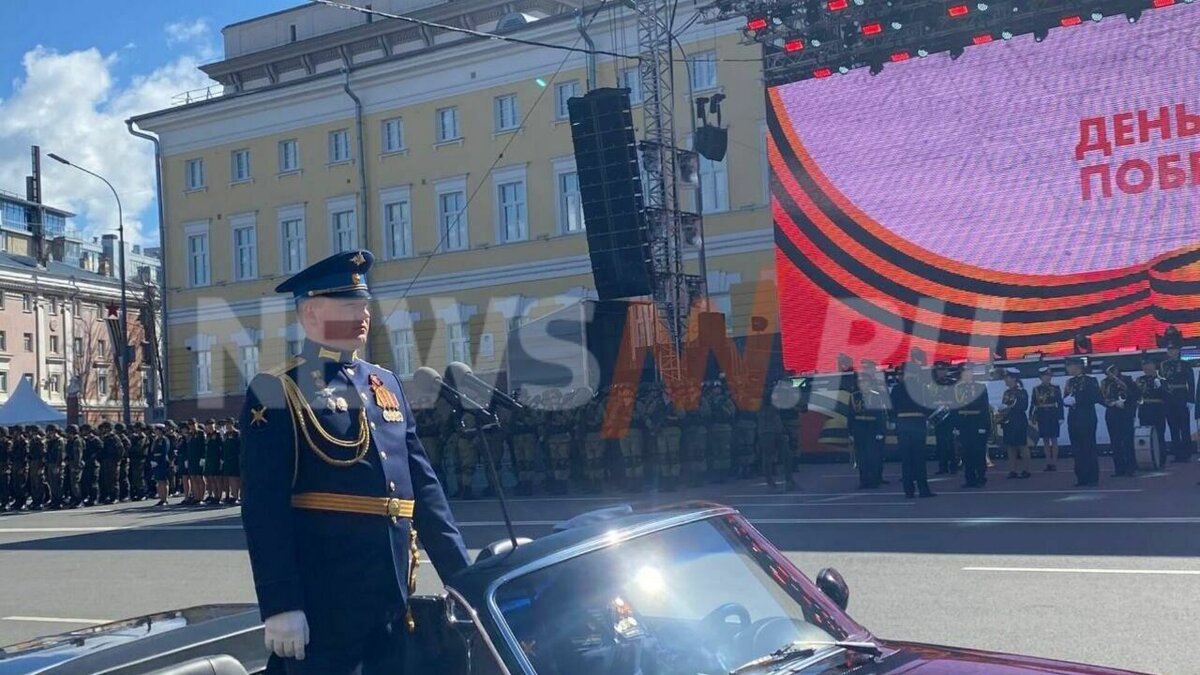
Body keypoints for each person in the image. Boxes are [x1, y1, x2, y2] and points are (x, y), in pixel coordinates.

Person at [240, 250, 469, 673]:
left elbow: (425, 492)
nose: (363, 314)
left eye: (364, 304)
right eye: (349, 305)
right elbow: (264, 507)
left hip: (393, 605)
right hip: (325, 607)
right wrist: (281, 604)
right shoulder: (276, 390)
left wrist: (465, 579)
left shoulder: (386, 384)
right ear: (310, 314)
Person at [891, 363, 935, 498]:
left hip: (902, 425)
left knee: (906, 460)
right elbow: (928, 407)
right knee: (919, 459)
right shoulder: (922, 388)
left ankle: (908, 491)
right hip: (917, 424)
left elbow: (891, 408)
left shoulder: (896, 389)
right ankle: (923, 489)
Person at [1063, 356, 1101, 487]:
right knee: (1077, 449)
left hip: (1087, 417)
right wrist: (1067, 402)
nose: (1067, 368)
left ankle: (1092, 476)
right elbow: (1065, 397)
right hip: (1073, 418)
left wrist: (1077, 399)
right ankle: (1081, 476)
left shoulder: (1090, 380)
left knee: (1089, 447)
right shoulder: (1069, 382)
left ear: (1077, 366)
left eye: (1069, 366)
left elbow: (1095, 396)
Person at [849, 360, 886, 489]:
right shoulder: (854, 396)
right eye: (861, 382)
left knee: (873, 456)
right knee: (861, 458)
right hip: (859, 430)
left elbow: (880, 416)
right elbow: (850, 416)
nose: (863, 384)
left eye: (865, 382)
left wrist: (881, 431)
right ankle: (864, 480)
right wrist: (850, 433)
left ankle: (874, 479)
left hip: (872, 429)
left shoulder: (876, 396)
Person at [955, 367, 990, 488]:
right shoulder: (957, 388)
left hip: (977, 421)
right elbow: (955, 408)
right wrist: (956, 426)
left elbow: (985, 408)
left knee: (978, 452)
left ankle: (981, 477)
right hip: (964, 423)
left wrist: (983, 426)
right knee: (966, 452)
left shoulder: (980, 387)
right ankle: (969, 478)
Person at [1159, 341, 1195, 463]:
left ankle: (1187, 453)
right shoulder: (1163, 365)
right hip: (1169, 398)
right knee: (1173, 427)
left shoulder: (1185, 364)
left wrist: (1191, 399)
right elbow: (1162, 381)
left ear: (1178, 351)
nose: (1172, 352)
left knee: (1184, 427)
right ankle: (1177, 454)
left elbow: (1191, 382)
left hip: (1182, 396)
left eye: (1174, 350)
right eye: (1170, 350)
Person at [1101, 364, 1137, 477]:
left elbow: (1133, 393)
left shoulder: (1127, 379)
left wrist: (1127, 406)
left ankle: (1130, 468)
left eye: (1112, 370)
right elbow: (1101, 397)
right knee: (1115, 442)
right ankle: (1119, 469)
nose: (1110, 373)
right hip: (1112, 412)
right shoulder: (1104, 382)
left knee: (1127, 441)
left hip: (1125, 412)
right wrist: (1111, 403)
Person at [1136, 356, 1168, 469]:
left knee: (1159, 435)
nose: (1147, 368)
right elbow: (1136, 394)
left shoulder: (1162, 379)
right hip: (1144, 409)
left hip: (1157, 409)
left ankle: (1161, 459)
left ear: (1154, 366)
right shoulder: (1139, 380)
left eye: (1149, 365)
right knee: (1145, 435)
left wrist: (1159, 387)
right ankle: (1147, 458)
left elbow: (1167, 396)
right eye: (1145, 366)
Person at [998, 368, 1031, 479]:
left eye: (1007, 378)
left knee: (1022, 445)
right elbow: (1004, 405)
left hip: (1019, 421)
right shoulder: (1006, 392)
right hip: (1008, 422)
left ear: (1014, 378)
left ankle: (1026, 469)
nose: (1005, 380)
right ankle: (1012, 470)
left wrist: (1009, 408)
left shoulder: (1021, 392)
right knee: (1010, 446)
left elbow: (1024, 406)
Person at [928, 361, 959, 474]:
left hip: (950, 416)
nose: (940, 372)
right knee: (940, 443)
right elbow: (929, 401)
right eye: (938, 370)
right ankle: (942, 466)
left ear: (947, 370)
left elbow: (957, 400)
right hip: (938, 417)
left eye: (943, 370)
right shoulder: (932, 385)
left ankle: (954, 465)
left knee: (951, 442)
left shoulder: (953, 383)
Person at [1031, 367, 1063, 471]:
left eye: (1049, 375)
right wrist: (1032, 416)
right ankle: (1048, 462)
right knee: (1045, 439)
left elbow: (1060, 403)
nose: (1047, 378)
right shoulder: (1036, 389)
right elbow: (1033, 404)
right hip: (1042, 414)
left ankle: (1054, 462)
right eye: (1045, 376)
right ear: (1041, 377)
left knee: (1054, 439)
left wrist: (1061, 416)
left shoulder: (1056, 388)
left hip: (1053, 413)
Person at [151, 423, 173, 506]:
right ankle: (161, 498)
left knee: (163, 481)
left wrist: (158, 459)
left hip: (163, 462)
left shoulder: (164, 440)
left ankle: (165, 499)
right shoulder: (156, 440)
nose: (155, 431)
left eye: (156, 430)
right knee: (158, 481)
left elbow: (165, 452)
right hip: (156, 462)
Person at [44, 425, 65, 509]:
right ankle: (54, 500)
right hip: (50, 463)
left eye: (51, 431)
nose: (49, 433)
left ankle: (59, 501)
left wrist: (58, 465)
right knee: (51, 483)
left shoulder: (60, 441)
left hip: (56, 464)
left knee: (58, 483)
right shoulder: (49, 441)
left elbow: (61, 454)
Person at [222, 419, 242, 504]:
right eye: (226, 424)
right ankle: (234, 496)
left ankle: (240, 496)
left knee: (237, 478)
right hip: (228, 459)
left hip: (236, 458)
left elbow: (240, 446)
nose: (227, 425)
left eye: (228, 424)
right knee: (231, 478)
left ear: (232, 424)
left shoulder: (237, 434)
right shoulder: (226, 435)